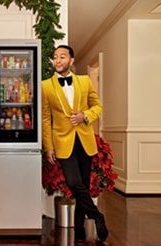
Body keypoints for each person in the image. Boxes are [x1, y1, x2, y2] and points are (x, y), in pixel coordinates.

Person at [42, 45, 108, 242]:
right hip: (62, 141)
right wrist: (49, 146)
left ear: (71, 61)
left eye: (62, 57)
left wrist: (85, 116)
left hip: (84, 140)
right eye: (55, 57)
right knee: (73, 182)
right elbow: (46, 118)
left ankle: (79, 229)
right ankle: (97, 215)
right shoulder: (46, 86)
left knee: (84, 186)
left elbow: (97, 106)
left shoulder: (84, 81)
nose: (58, 60)